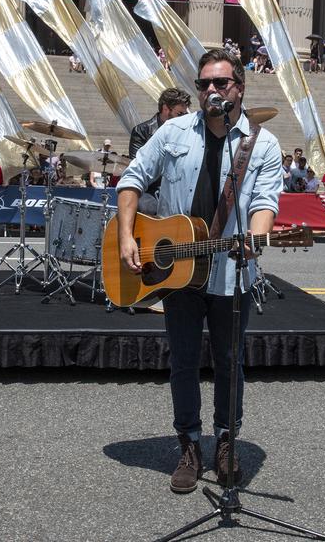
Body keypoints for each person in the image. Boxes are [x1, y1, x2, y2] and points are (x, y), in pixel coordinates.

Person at [115, 48, 281, 494]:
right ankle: (188, 443)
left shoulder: (261, 144)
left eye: (220, 83)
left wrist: (256, 238)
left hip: (232, 273)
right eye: (204, 83)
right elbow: (131, 179)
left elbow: (265, 203)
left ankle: (226, 441)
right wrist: (129, 236)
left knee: (230, 363)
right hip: (177, 276)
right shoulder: (172, 132)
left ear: (239, 90)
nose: (210, 90)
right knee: (184, 363)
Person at [129, 88, 192, 215]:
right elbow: (140, 169)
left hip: (177, 188)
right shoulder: (142, 131)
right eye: (180, 114)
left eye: (185, 115)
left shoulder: (186, 131)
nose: (184, 119)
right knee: (150, 208)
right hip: (151, 190)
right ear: (165, 109)